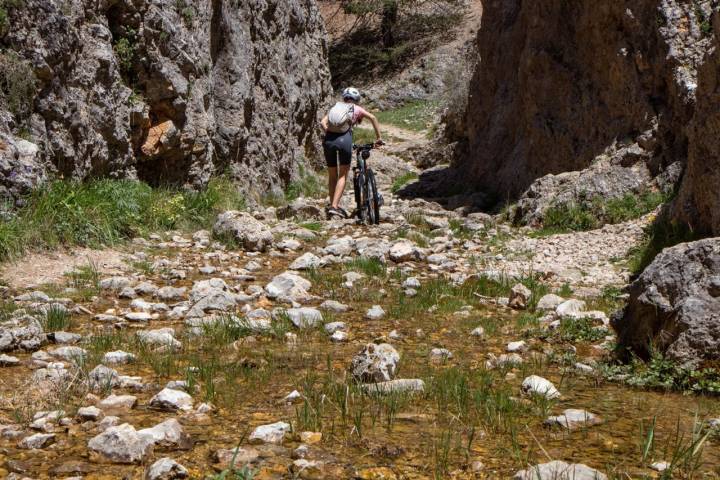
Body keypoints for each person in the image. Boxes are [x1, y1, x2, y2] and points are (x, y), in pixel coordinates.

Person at [320, 87, 383, 219]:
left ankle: (332, 205)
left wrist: (332, 134)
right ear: (357, 99)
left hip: (329, 140)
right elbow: (373, 117)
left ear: (344, 98)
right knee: (342, 175)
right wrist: (379, 139)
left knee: (332, 175)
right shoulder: (356, 108)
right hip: (345, 140)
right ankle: (334, 207)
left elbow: (322, 122)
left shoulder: (335, 107)